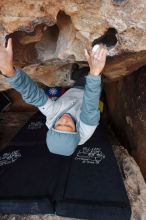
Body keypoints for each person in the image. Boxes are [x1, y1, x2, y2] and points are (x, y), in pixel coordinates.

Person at [0, 38, 107, 156]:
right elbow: (90, 104)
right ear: (76, 130)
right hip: (87, 94)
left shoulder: (52, 116)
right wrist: (95, 73)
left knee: (81, 76)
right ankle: (87, 74)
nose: (64, 120)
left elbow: (34, 96)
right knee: (92, 77)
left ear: (53, 126)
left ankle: (77, 73)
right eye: (68, 126)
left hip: (73, 92)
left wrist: (9, 72)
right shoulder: (87, 127)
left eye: (59, 125)